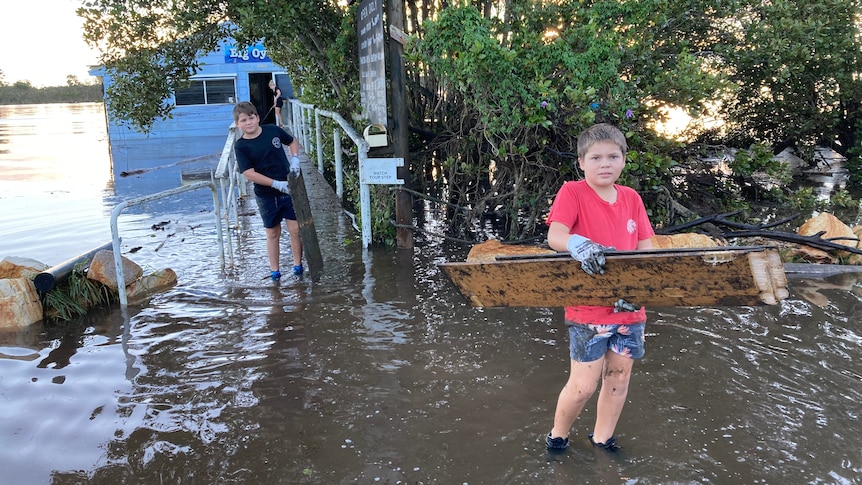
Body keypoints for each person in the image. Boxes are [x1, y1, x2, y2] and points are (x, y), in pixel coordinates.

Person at [544, 123, 655, 452]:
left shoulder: (632, 198)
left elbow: (648, 249)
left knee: (618, 379)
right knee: (583, 386)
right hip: (587, 310)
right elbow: (555, 236)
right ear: (581, 162)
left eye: (612, 156)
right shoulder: (573, 192)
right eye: (595, 158)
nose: (604, 164)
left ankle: (603, 438)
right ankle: (558, 436)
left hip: (629, 309)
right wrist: (576, 243)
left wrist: (640, 291)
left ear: (623, 159)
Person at [232, 101, 304, 281]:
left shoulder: (272, 130)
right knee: (273, 232)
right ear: (237, 124)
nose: (248, 122)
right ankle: (275, 271)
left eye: (251, 118)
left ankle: (298, 266)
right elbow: (249, 173)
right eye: (243, 120)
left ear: (257, 117)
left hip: (289, 189)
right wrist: (275, 184)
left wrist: (294, 159)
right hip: (266, 195)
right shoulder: (241, 146)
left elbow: (292, 141)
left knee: (295, 229)